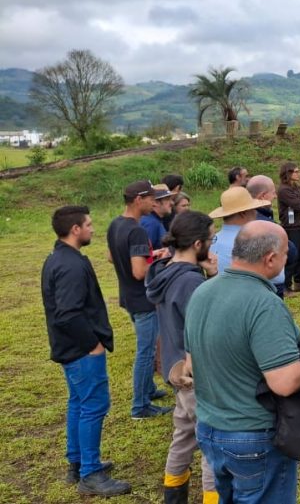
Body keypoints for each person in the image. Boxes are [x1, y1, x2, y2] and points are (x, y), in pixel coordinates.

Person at [186, 221, 300, 503]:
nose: (287, 260)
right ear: (270, 258)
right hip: (252, 435)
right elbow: (284, 382)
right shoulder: (264, 303)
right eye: (285, 255)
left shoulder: (202, 292)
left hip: (210, 428)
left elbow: (190, 364)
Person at [42, 205, 131, 496]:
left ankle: (78, 462)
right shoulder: (71, 265)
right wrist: (92, 344)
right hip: (81, 351)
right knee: (93, 405)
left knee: (79, 403)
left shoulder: (58, 257)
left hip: (69, 348)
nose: (93, 229)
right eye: (89, 225)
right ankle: (90, 474)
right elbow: (68, 314)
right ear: (75, 229)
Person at [144, 211, 219, 504]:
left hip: (175, 368)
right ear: (198, 244)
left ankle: (174, 496)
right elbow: (208, 324)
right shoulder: (190, 283)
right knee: (212, 443)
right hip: (196, 373)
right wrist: (214, 277)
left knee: (184, 435)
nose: (212, 244)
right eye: (211, 239)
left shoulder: (164, 270)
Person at [106, 180, 172, 420]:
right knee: (146, 352)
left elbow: (111, 257)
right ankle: (140, 406)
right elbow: (139, 272)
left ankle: (149, 389)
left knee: (146, 347)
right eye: (151, 198)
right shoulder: (137, 231)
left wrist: (149, 254)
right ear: (138, 200)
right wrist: (161, 261)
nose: (154, 203)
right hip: (144, 300)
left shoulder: (116, 224)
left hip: (128, 296)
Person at [247, 175, 292, 298]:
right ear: (262, 196)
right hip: (270, 284)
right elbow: (290, 251)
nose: (275, 196)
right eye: (273, 193)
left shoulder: (246, 218)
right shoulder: (263, 222)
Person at [278, 162, 300, 294]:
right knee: (292, 256)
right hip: (290, 227)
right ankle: (286, 286)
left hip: (299, 225)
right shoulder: (284, 190)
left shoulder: (296, 187)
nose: (299, 174)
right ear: (288, 173)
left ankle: (298, 282)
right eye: (296, 171)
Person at [140, 183, 175, 258]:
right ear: (156, 203)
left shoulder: (154, 220)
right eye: (167, 199)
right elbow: (142, 255)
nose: (172, 203)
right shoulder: (151, 224)